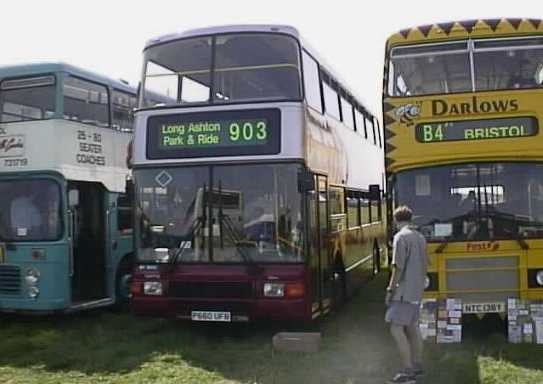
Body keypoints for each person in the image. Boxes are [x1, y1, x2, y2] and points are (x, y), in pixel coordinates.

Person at [385, 206, 429, 384]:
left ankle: (407, 371)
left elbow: (398, 267)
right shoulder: (420, 236)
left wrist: (390, 289)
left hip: (403, 292)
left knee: (396, 328)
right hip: (417, 290)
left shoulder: (400, 237)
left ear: (396, 220)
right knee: (412, 327)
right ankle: (417, 366)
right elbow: (426, 263)